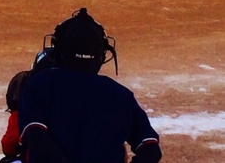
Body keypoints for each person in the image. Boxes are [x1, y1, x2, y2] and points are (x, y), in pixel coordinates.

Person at [18, 8, 162, 163]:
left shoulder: (40, 85)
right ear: (102, 55)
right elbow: (151, 150)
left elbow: (38, 141)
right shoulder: (121, 95)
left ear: (59, 53)